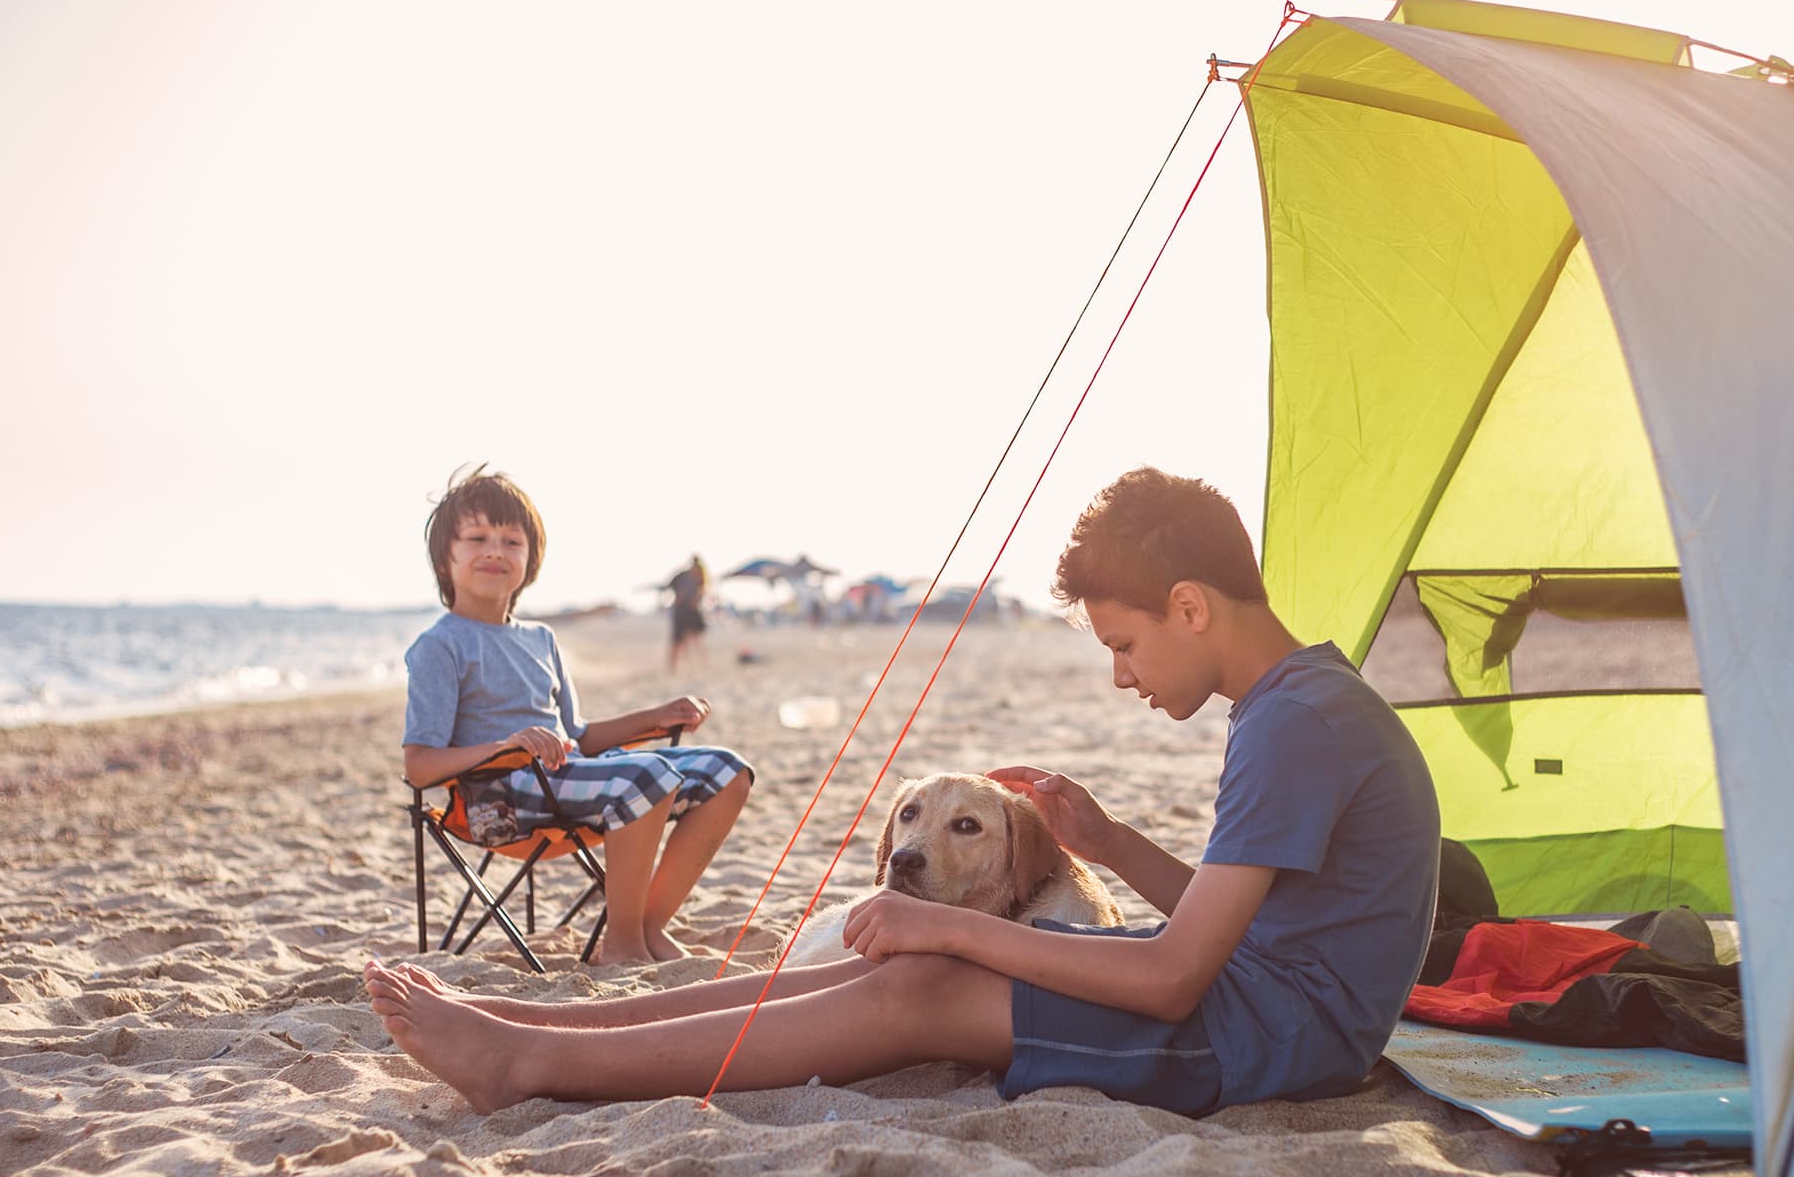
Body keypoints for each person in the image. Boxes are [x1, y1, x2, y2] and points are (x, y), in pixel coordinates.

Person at [366, 466, 1440, 1113]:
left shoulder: (1294, 721)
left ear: (1190, 607)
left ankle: (532, 1060)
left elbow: (1167, 978)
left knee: (916, 984)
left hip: (1265, 1039)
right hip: (1253, 995)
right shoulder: (1298, 701)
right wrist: (1106, 843)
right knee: (869, 967)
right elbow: (1229, 914)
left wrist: (958, 932)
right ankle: (525, 1022)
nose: (1122, 673)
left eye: (1123, 643)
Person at [402, 466, 757, 966]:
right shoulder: (439, 646)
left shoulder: (540, 639)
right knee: (648, 777)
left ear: (531, 559)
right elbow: (419, 766)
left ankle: (647, 925)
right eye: (477, 538)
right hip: (497, 802)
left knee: (727, 771)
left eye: (511, 541)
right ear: (445, 557)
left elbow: (580, 738)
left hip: (566, 782)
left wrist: (654, 717)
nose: (495, 551)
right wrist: (508, 746)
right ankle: (623, 944)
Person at [665, 555, 709, 674]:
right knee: (678, 641)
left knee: (694, 639)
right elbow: (669, 587)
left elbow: (703, 591)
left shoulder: (699, 575)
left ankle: (699, 665)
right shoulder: (681, 576)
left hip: (692, 611)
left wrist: (696, 600)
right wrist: (679, 597)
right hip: (681, 611)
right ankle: (674, 667)